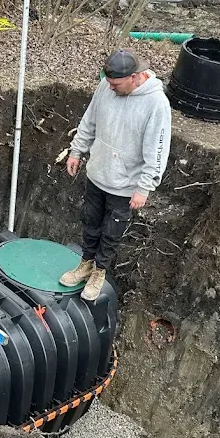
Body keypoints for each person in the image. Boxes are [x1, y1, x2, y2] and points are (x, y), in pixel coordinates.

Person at [59, 49, 172, 301]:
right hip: (98, 174)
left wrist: (145, 186)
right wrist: (77, 151)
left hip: (125, 186)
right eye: (108, 82)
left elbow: (157, 149)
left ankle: (99, 271)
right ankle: (86, 263)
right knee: (90, 221)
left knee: (111, 231)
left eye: (116, 84)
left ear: (135, 77)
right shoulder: (105, 87)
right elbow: (90, 120)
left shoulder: (156, 104)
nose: (110, 88)